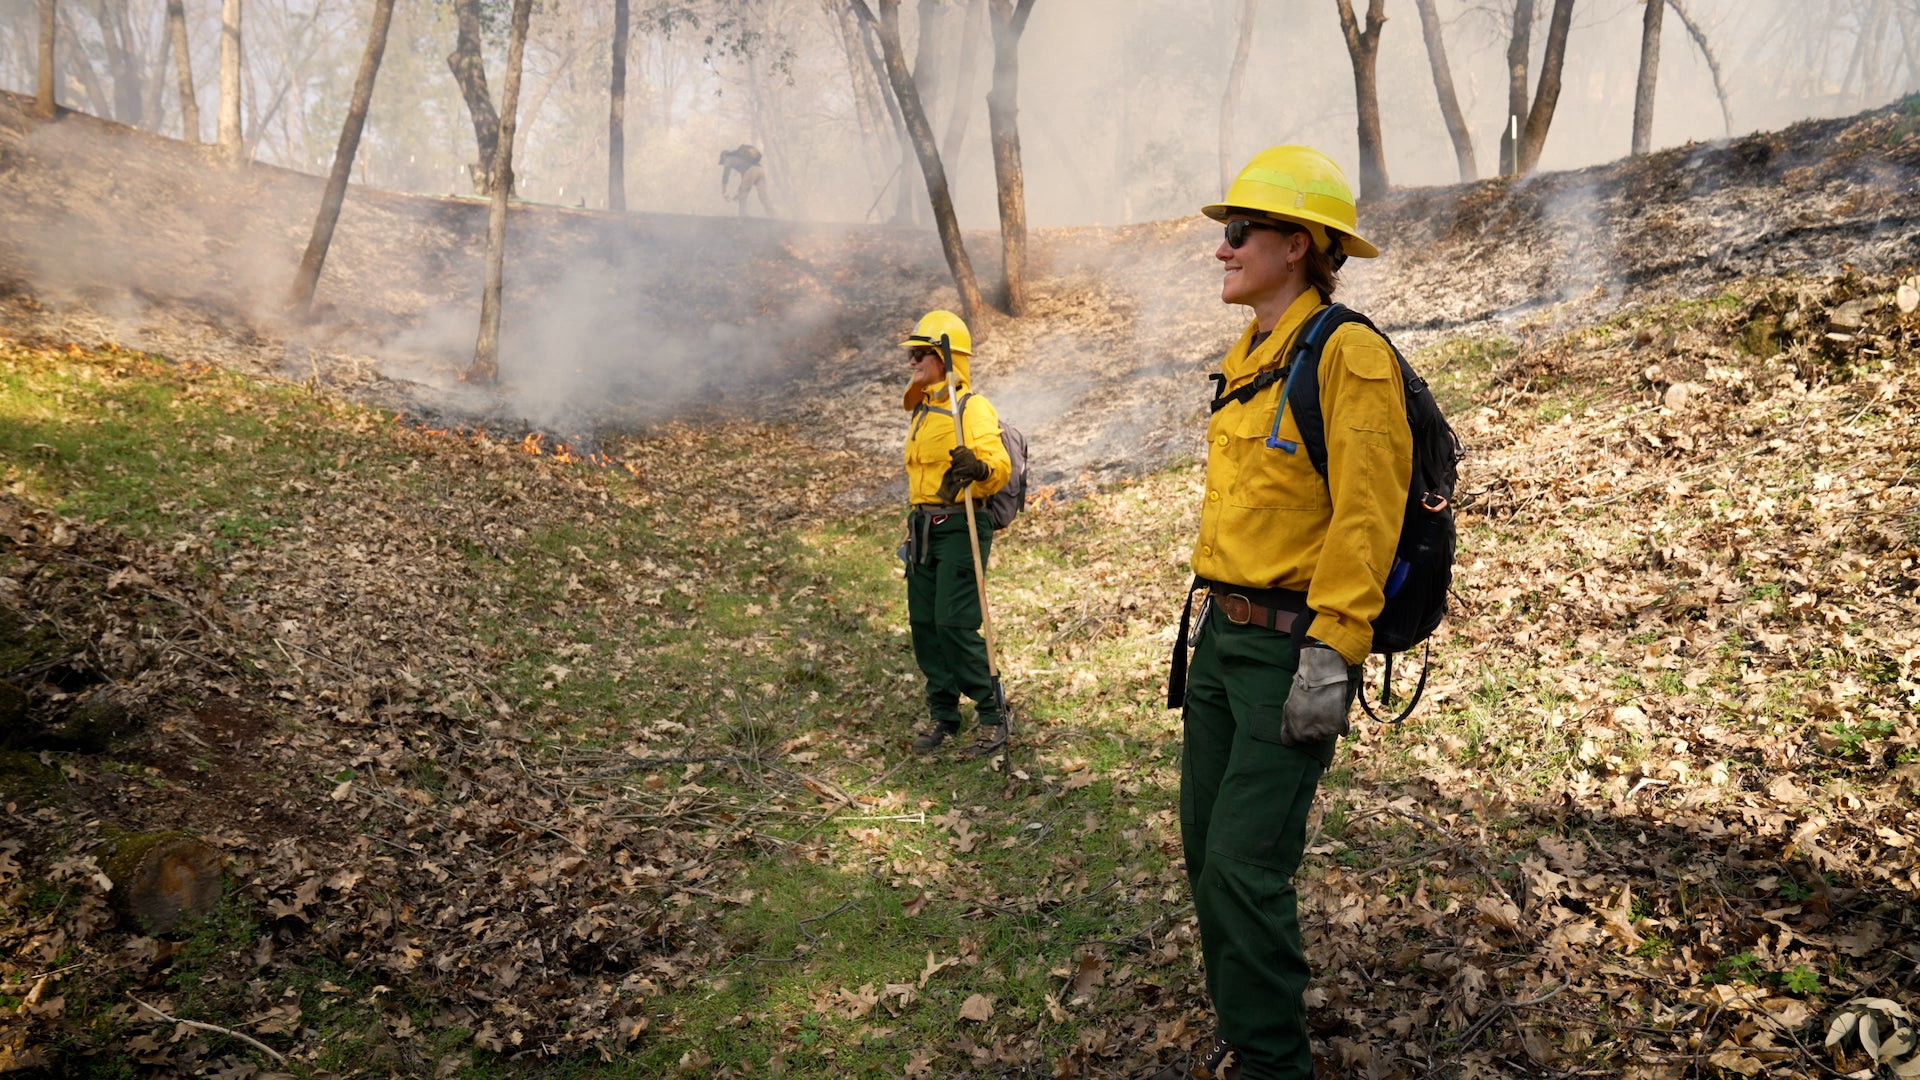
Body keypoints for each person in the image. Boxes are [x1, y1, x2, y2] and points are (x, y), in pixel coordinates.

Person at [1169, 145, 1411, 1079]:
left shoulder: (1349, 356)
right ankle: (1247, 1034)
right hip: (1222, 643)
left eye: (1239, 234)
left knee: (1243, 863)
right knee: (1204, 853)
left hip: (1291, 653)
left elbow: (1368, 513)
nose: (1221, 250)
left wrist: (1333, 651)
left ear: (1299, 245)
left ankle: (1275, 1065)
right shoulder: (1248, 358)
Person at [897, 310, 1010, 755]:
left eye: (921, 353)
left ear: (946, 356)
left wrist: (979, 468)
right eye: (912, 353)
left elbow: (998, 467)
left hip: (961, 527)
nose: (912, 361)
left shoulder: (971, 407)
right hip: (923, 528)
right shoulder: (923, 409)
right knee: (925, 625)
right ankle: (943, 715)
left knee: (954, 623)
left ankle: (993, 713)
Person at [718, 144, 774, 217]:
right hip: (760, 170)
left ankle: (743, 216)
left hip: (751, 171)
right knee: (763, 195)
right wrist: (740, 191)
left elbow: (726, 175)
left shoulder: (728, 159)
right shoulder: (741, 158)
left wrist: (724, 191)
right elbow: (745, 177)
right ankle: (772, 214)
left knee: (742, 195)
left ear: (724, 156)